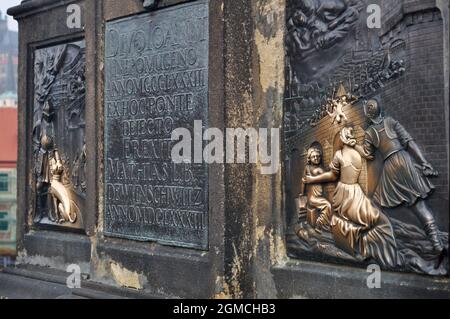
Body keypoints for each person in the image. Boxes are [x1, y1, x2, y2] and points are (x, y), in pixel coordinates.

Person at [355, 98, 445, 264]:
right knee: (419, 205)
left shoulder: (369, 133)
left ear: (368, 113)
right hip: (405, 162)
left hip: (391, 167)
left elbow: (367, 154)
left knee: (375, 203)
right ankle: (436, 244)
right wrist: (423, 162)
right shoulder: (391, 122)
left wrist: (355, 145)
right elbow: (409, 143)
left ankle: (374, 242)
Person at [304, 127, 398, 268]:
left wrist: (312, 180)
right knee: (376, 220)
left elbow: (332, 176)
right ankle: (370, 245)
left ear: (342, 138)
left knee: (355, 220)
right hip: (357, 192)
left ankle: (353, 242)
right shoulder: (357, 154)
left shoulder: (339, 154)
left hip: (344, 194)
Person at [300, 146, 333, 232]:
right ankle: (319, 225)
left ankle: (325, 224)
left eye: (318, 156)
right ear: (309, 158)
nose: (316, 158)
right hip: (315, 198)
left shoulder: (307, 168)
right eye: (313, 156)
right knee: (327, 206)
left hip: (312, 198)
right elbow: (329, 176)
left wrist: (302, 193)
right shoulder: (319, 169)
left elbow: (303, 181)